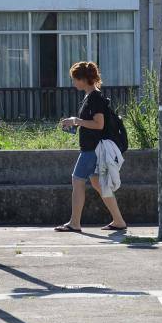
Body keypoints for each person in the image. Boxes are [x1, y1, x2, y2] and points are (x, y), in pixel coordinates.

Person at [54, 61, 128, 233]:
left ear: (83, 79)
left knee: (77, 180)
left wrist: (76, 121)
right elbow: (94, 123)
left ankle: (74, 223)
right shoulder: (92, 96)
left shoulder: (94, 98)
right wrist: (76, 122)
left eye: (74, 79)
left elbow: (99, 124)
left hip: (92, 149)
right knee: (98, 183)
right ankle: (118, 221)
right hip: (94, 148)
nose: (73, 83)